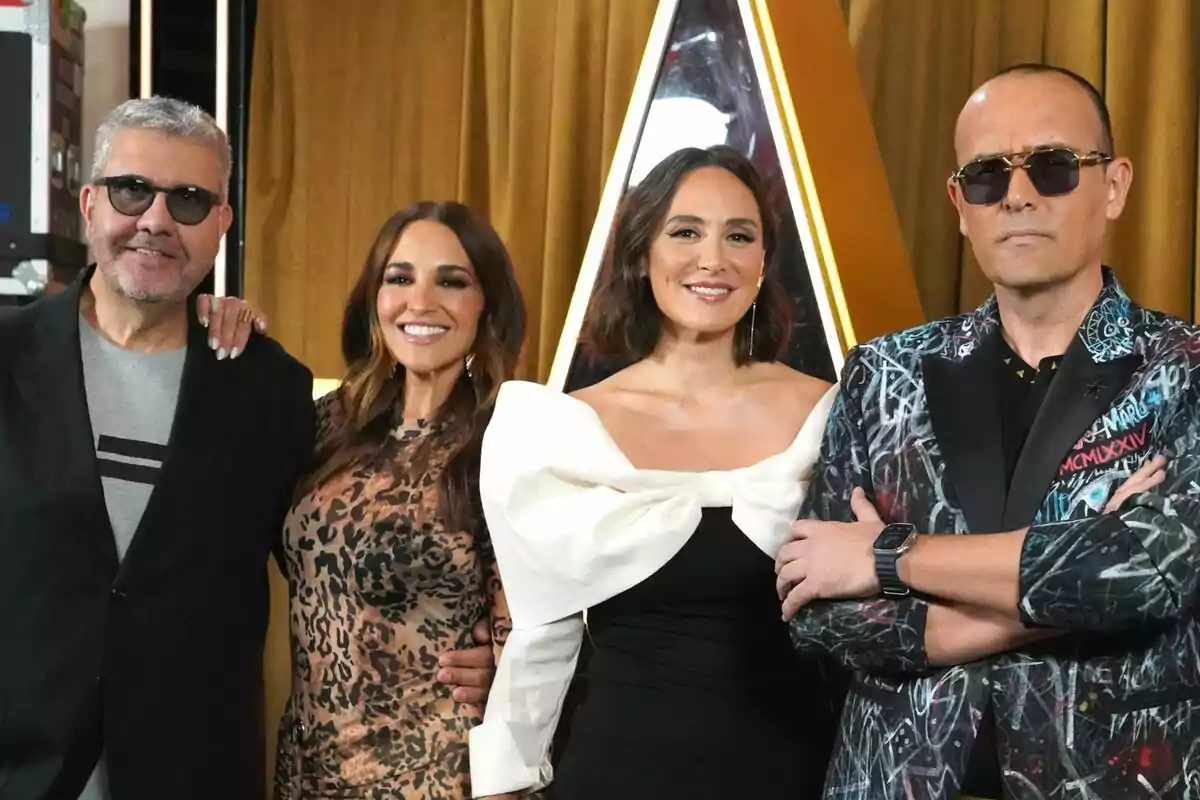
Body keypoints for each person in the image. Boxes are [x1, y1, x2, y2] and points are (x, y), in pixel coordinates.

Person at [0, 96, 493, 800]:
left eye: (190, 201)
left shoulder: (270, 390)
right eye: (132, 190)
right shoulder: (6, 354)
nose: (156, 221)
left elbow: (342, 555)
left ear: (223, 224)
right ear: (89, 202)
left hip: (197, 772)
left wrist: (487, 655)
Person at [777, 64, 1200, 798]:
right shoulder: (883, 372)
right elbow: (812, 607)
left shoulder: (1185, 369)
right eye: (986, 176)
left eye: (1054, 166)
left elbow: (1152, 575)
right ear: (959, 204)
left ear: (1115, 185)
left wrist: (885, 556)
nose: (1018, 195)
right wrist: (1074, 566)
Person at [469, 145, 846, 799]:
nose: (713, 258)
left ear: (763, 263)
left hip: (793, 770)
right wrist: (505, 779)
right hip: (614, 770)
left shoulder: (833, 414)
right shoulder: (561, 429)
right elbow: (542, 631)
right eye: (685, 232)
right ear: (643, 254)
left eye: (739, 235)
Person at [268, 202, 525, 799]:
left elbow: (539, 632)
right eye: (400, 277)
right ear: (373, 296)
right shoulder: (327, 425)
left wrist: (507, 675)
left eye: (452, 282)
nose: (421, 301)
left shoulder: (509, 435)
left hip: (439, 774)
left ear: (487, 304)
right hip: (311, 771)